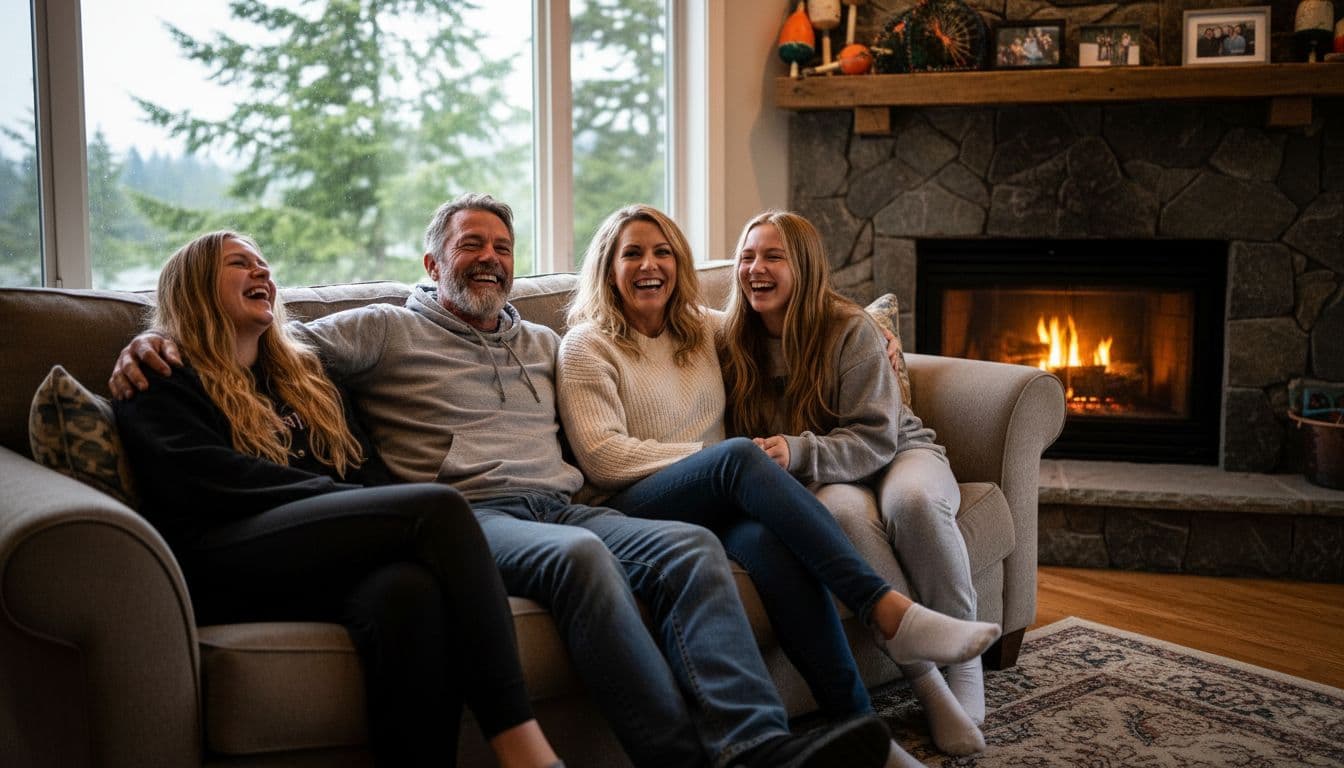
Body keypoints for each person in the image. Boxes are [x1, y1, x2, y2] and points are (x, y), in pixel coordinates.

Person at [109, 196, 893, 768]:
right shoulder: (384, 327)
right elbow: (271, 344)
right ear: (432, 263)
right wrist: (150, 343)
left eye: (502, 247)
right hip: (468, 519)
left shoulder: (550, 341)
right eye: (470, 245)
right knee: (581, 562)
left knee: (688, 547)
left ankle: (755, 750)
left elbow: (704, 327)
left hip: (567, 505)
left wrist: (869, 329)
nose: (489, 259)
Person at [556, 205, 999, 762]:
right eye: (632, 254)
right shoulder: (585, 347)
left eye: (662, 251)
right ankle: (887, 611)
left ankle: (866, 735)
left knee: (774, 552)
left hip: (714, 500)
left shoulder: (702, 329)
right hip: (633, 503)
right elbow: (603, 458)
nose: (650, 265)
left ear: (680, 264)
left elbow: (794, 320)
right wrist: (715, 459)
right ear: (606, 268)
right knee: (742, 457)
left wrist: (875, 334)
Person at [111, 231, 559, 768]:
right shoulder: (162, 373)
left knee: (407, 591)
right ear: (194, 287)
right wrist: (353, 506)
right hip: (225, 553)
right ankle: (527, 751)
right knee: (438, 507)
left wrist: (361, 508)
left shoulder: (304, 376)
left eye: (264, 264)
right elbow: (206, 480)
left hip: (312, 553)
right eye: (239, 264)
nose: (262, 274)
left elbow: (361, 465)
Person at [718, 210, 993, 752]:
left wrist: (797, 449)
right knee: (841, 516)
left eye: (773, 256)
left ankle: (965, 659)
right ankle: (926, 680)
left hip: (894, 452)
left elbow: (876, 438)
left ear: (804, 267)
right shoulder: (732, 337)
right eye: (747, 257)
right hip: (824, 478)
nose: (756, 269)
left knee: (913, 504)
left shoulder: (848, 329)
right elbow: (679, 313)